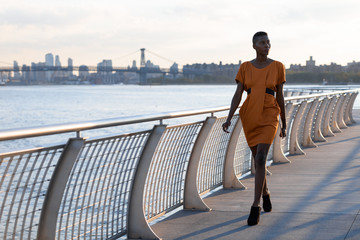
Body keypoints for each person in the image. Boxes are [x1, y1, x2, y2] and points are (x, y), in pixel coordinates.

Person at [222, 31, 286, 226]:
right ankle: (265, 192)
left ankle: (255, 206)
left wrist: (284, 121)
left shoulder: (278, 66)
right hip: (250, 114)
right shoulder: (245, 67)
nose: (267, 45)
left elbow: (280, 96)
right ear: (254, 46)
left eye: (268, 42)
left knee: (260, 158)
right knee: (257, 160)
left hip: (269, 113)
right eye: (262, 42)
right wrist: (229, 117)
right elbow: (238, 93)